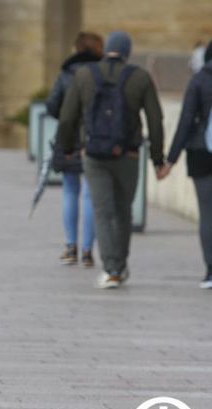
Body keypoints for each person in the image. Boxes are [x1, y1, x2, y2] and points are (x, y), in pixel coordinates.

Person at [57, 31, 169, 289]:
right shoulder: (140, 77)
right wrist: (157, 159)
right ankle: (119, 264)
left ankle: (111, 269)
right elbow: (155, 120)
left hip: (94, 155)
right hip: (128, 155)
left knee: (102, 211)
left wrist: (67, 148)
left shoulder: (84, 75)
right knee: (123, 211)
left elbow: (67, 118)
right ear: (127, 51)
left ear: (106, 49)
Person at [166, 36, 212, 289]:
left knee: (207, 214)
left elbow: (185, 121)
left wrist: (170, 160)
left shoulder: (201, 78)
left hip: (202, 151)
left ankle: (211, 273)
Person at [46, 32, 104, 268]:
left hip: (68, 137)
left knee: (70, 190)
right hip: (95, 138)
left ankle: (70, 247)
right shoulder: (103, 73)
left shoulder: (66, 73)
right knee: (91, 194)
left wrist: (64, 116)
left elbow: (52, 105)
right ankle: (89, 251)